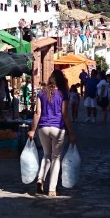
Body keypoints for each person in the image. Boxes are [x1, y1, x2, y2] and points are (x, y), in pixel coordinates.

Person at [28, 69, 76, 198]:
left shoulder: (41, 93)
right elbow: (65, 114)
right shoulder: (63, 94)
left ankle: (40, 179)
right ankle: (52, 189)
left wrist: (32, 130)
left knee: (46, 155)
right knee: (56, 158)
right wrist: (71, 132)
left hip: (43, 128)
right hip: (58, 128)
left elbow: (37, 113)